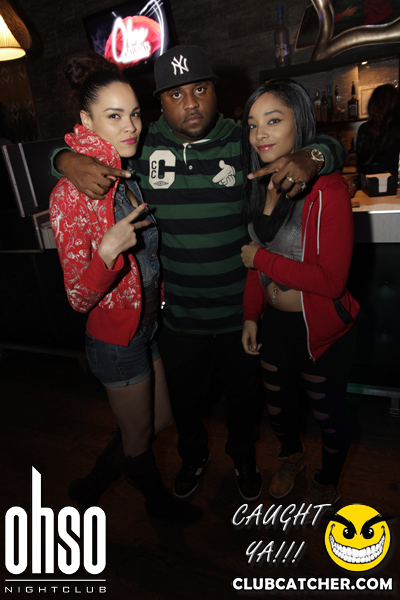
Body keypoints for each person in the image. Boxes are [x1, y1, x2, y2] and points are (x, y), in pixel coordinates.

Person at [52, 45, 347, 504]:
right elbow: (82, 147)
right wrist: (64, 160)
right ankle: (193, 458)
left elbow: (321, 142)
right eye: (175, 94)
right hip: (178, 320)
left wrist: (317, 156)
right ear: (159, 103)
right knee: (185, 407)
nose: (190, 103)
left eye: (200, 89)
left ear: (216, 90)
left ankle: (244, 460)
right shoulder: (139, 145)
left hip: (238, 315)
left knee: (244, 403)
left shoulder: (242, 140)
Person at [49, 52, 202, 524]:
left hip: (146, 327)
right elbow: (77, 298)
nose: (131, 126)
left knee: (159, 420)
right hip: (116, 340)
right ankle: (158, 506)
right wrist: (106, 254)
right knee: (138, 437)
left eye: (134, 113)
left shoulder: (125, 172)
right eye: (114, 116)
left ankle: (93, 483)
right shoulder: (71, 193)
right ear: (86, 121)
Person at [240, 79, 359, 508]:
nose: (260, 134)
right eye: (253, 124)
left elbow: (331, 282)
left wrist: (260, 259)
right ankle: (291, 457)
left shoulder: (328, 189)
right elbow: (258, 259)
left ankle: (327, 480)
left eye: (273, 121)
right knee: (277, 408)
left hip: (320, 330)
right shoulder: (261, 183)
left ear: (300, 124)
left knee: (328, 415)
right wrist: (251, 313)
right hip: (275, 324)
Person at [356, 83, 400, 182]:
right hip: (393, 184)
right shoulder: (396, 129)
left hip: (370, 185)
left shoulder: (365, 129)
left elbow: (360, 166)